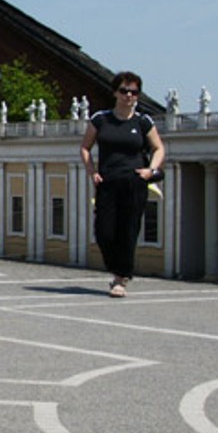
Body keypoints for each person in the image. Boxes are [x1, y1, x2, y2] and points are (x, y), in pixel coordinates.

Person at [79, 70, 165, 298]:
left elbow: (159, 148)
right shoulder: (101, 119)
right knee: (104, 231)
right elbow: (85, 147)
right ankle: (117, 267)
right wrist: (92, 172)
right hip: (107, 182)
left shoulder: (143, 121)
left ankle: (121, 278)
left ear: (138, 95)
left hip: (134, 182)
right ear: (115, 92)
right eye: (124, 91)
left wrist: (151, 171)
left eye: (134, 92)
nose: (129, 96)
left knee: (128, 230)